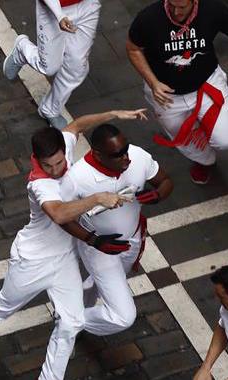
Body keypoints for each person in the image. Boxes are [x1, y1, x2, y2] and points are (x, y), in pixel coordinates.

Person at [0, 110, 143, 379]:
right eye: (48, 165)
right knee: (3, 307)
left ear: (63, 150)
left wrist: (115, 113)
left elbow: (76, 124)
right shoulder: (40, 185)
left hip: (65, 259)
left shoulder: (63, 145)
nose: (55, 169)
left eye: (59, 163)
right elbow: (59, 214)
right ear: (36, 160)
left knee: (72, 323)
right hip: (33, 259)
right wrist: (97, 199)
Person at [60, 124, 173, 338]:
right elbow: (62, 217)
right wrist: (93, 241)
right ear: (98, 154)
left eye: (126, 149)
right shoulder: (77, 178)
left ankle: (80, 310)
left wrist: (158, 195)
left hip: (133, 240)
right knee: (123, 316)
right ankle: (69, 320)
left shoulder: (138, 156)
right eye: (117, 155)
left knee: (98, 283)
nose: (126, 158)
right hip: (99, 248)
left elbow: (165, 181)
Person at [127, 0, 228, 184]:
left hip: (207, 85)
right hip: (167, 95)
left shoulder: (212, 9)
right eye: (172, 5)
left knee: (227, 140)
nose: (176, 12)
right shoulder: (149, 17)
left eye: (182, 7)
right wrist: (153, 83)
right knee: (181, 137)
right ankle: (204, 162)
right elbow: (132, 49)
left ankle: (204, 124)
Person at [2, 0, 101, 129]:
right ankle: (22, 50)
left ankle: (50, 109)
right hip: (55, 8)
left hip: (89, 5)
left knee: (77, 66)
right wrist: (59, 15)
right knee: (48, 67)